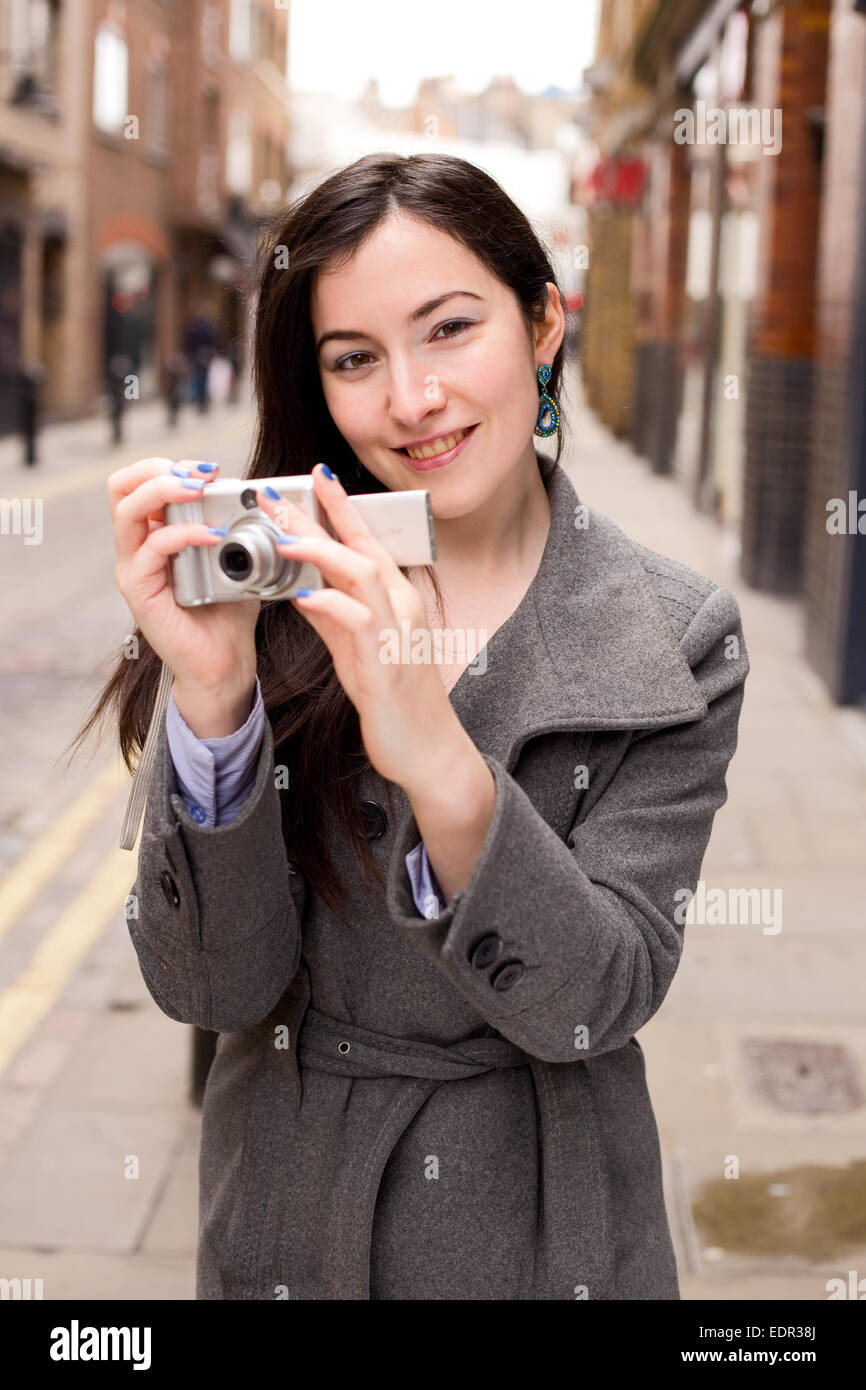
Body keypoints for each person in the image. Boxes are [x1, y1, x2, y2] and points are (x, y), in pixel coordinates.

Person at [78, 152, 749, 1300]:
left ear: (542, 324)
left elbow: (600, 994)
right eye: (354, 359)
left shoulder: (676, 634)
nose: (410, 399)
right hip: (293, 1209)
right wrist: (214, 697)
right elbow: (210, 993)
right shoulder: (270, 592)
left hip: (551, 1220)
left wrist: (436, 757)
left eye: (448, 330)